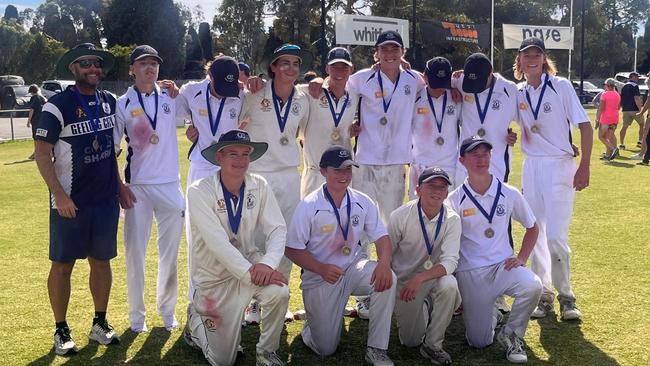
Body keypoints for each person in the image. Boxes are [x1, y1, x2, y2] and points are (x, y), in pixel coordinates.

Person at [34, 43, 122, 355]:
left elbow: (112, 150)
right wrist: (59, 194)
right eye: (85, 64)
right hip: (69, 201)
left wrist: (121, 187)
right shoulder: (56, 106)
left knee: (102, 262)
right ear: (73, 69)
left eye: (96, 64)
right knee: (62, 265)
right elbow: (42, 155)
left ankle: (100, 323)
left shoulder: (109, 101)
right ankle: (60, 329)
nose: (93, 69)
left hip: (104, 200)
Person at [184, 129, 289, 366]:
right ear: (219, 157)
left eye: (245, 154)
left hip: (251, 269)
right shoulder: (199, 191)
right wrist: (255, 272)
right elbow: (217, 243)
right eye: (233, 153)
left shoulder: (259, 185)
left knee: (279, 292)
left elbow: (277, 229)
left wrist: (267, 264)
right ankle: (196, 322)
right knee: (224, 361)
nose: (240, 160)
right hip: (215, 279)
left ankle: (266, 353)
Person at [285, 146, 396, 366]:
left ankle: (377, 349)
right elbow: (292, 249)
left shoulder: (362, 200)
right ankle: (313, 326)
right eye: (338, 170)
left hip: (353, 269)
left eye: (348, 169)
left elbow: (382, 238)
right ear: (323, 171)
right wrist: (320, 268)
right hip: (320, 276)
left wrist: (384, 264)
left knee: (389, 278)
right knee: (325, 349)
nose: (344, 175)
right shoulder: (309, 205)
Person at [513, 37, 593, 320]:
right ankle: (543, 294)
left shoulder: (561, 86)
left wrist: (584, 166)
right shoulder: (518, 92)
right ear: (519, 60)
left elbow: (584, 125)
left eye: (537, 54)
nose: (531, 59)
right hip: (532, 167)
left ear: (544, 58)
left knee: (557, 236)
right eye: (526, 55)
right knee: (535, 232)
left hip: (560, 166)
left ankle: (567, 296)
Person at [448, 136, 542, 364]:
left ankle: (511, 336)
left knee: (533, 286)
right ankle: (491, 311)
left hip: (503, 266)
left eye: (485, 154)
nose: (481, 159)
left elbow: (532, 227)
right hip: (471, 272)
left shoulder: (508, 192)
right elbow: (448, 244)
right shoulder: (454, 200)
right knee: (479, 342)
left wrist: (521, 257)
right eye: (475, 154)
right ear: (462, 160)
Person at [114, 45, 185, 333]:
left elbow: (203, 107)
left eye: (154, 63)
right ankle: (136, 317)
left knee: (170, 253)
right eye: (143, 63)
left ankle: (167, 311)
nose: (150, 68)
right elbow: (112, 150)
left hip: (170, 185)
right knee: (135, 254)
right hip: (138, 188)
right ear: (132, 68)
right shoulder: (122, 103)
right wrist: (120, 187)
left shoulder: (170, 95)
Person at [239, 44, 311, 323]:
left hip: (289, 175)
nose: (291, 68)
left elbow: (302, 133)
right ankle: (253, 302)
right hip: (258, 174)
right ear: (273, 67)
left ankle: (279, 292)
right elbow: (235, 124)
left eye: (295, 63)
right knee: (255, 237)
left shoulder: (303, 99)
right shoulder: (254, 93)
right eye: (284, 63)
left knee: (284, 236)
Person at [178, 55, 243, 301]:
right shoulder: (190, 91)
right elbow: (179, 110)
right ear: (209, 77)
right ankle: (196, 301)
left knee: (230, 234)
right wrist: (189, 125)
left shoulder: (240, 94)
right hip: (200, 168)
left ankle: (228, 300)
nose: (226, 92)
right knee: (197, 237)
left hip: (230, 171)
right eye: (220, 86)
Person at [388, 167, 461, 365]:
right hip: (405, 284)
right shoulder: (399, 216)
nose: (437, 191)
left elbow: (450, 261)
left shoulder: (453, 219)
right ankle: (426, 306)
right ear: (418, 189)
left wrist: (420, 278)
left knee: (450, 284)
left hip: (430, 280)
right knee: (410, 342)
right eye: (431, 185)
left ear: (447, 193)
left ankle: (433, 345)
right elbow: (387, 253)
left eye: (442, 187)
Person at [299, 47, 358, 198]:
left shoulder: (354, 96)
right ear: (327, 68)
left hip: (342, 175)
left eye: (344, 67)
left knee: (342, 220)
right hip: (316, 175)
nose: (339, 72)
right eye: (334, 67)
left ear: (351, 69)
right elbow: (286, 89)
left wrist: (352, 128)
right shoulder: (312, 92)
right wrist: (317, 80)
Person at [452, 52, 518, 185]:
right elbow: (431, 79)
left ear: (490, 72)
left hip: (496, 163)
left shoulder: (510, 89)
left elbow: (530, 120)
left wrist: (512, 136)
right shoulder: (459, 81)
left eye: (479, 81)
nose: (475, 86)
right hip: (465, 164)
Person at [410, 57, 462, 196]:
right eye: (435, 84)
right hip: (422, 166)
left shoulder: (456, 97)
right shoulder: (414, 98)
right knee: (418, 214)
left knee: (449, 215)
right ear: (425, 77)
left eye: (443, 84)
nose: (439, 89)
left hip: (449, 166)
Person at [618, 71, 644, 150]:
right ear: (632, 77)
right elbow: (636, 98)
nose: (638, 78)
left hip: (625, 109)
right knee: (642, 124)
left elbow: (621, 98)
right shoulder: (635, 86)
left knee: (624, 127)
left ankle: (621, 144)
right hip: (634, 109)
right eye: (636, 77)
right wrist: (640, 109)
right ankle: (640, 141)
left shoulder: (624, 86)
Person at [595, 78, 620, 160]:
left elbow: (601, 108)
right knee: (608, 137)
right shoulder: (617, 95)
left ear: (607, 85)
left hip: (606, 118)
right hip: (615, 117)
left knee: (601, 137)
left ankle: (613, 149)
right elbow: (618, 107)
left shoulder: (604, 94)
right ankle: (607, 155)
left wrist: (597, 119)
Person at [26, 84, 47, 160]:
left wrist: (28, 121)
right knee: (43, 137)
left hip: (36, 121)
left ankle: (36, 153)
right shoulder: (43, 98)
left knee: (36, 137)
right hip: (44, 120)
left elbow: (32, 110)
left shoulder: (34, 98)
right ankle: (46, 153)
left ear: (32, 91)